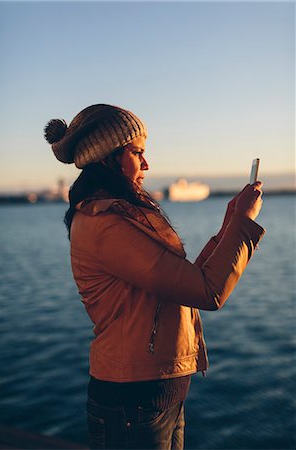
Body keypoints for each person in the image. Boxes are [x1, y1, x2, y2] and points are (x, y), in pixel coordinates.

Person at [44, 104, 265, 450]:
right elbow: (207, 291)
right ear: (106, 158)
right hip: (133, 399)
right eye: (137, 153)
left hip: (154, 396)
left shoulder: (123, 214)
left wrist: (229, 224)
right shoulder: (106, 225)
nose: (147, 165)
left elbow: (186, 279)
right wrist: (243, 224)